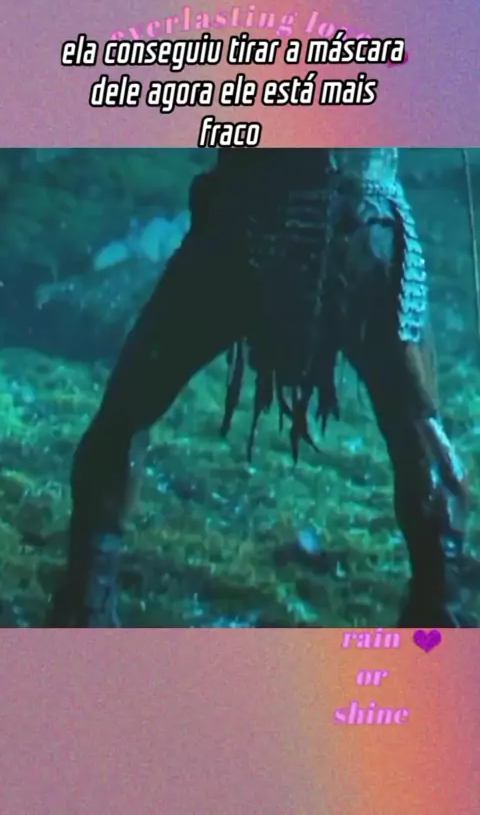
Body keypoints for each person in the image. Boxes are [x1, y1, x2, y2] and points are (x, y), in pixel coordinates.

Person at [47, 148, 474, 628]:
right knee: (419, 429)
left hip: (277, 223)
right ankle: (441, 612)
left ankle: (85, 603)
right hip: (339, 223)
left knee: (125, 416)